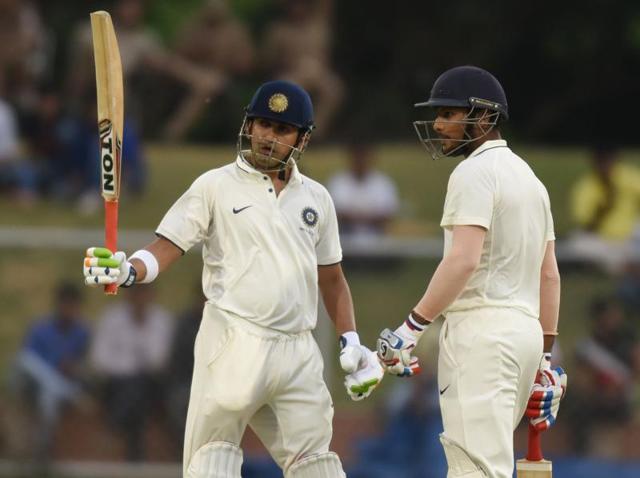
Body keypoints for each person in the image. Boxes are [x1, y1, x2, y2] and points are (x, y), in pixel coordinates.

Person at [81, 80, 383, 477]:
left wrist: (351, 339)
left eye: (281, 129)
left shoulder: (317, 199)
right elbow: (167, 246)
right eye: (261, 125)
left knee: (317, 467)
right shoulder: (215, 186)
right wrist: (127, 271)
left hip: (297, 350)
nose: (267, 137)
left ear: (303, 139)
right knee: (212, 461)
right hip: (233, 340)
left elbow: (332, 280)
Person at [375, 66, 568, 478]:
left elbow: (463, 260)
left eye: (449, 114)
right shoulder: (532, 181)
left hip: (481, 337)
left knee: (474, 469)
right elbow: (548, 275)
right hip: (525, 336)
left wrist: (410, 330)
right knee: (487, 466)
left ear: (483, 118)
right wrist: (546, 358)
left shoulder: (473, 172)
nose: (439, 124)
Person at [90, 285, 174, 462]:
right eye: (136, 293)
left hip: (152, 383)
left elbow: (162, 360)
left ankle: (117, 422)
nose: (140, 298)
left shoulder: (162, 321)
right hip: (117, 383)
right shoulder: (111, 319)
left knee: (139, 390)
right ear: (128, 295)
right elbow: (99, 359)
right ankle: (135, 450)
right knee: (134, 390)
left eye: (144, 293)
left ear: (151, 295)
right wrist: (129, 368)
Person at [10, 282, 90, 463]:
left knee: (49, 395)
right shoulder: (40, 328)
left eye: (73, 305)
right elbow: (29, 364)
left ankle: (43, 447)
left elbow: (83, 367)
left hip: (65, 388)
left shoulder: (82, 333)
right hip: (35, 385)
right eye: (65, 304)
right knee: (25, 361)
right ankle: (54, 385)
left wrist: (73, 368)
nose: (69, 310)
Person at [567, 146, 640, 271]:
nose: (604, 165)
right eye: (601, 161)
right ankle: (623, 264)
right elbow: (586, 226)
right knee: (577, 243)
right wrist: (604, 208)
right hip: (601, 240)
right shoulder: (586, 186)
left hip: (630, 237)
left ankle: (621, 263)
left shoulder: (629, 177)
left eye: (607, 160)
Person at [327, 143, 399, 240]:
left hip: (377, 242)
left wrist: (354, 216)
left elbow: (387, 216)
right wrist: (368, 216)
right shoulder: (337, 182)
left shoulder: (383, 183)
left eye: (364, 157)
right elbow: (334, 215)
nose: (360, 161)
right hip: (344, 243)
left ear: (371, 158)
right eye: (357, 157)